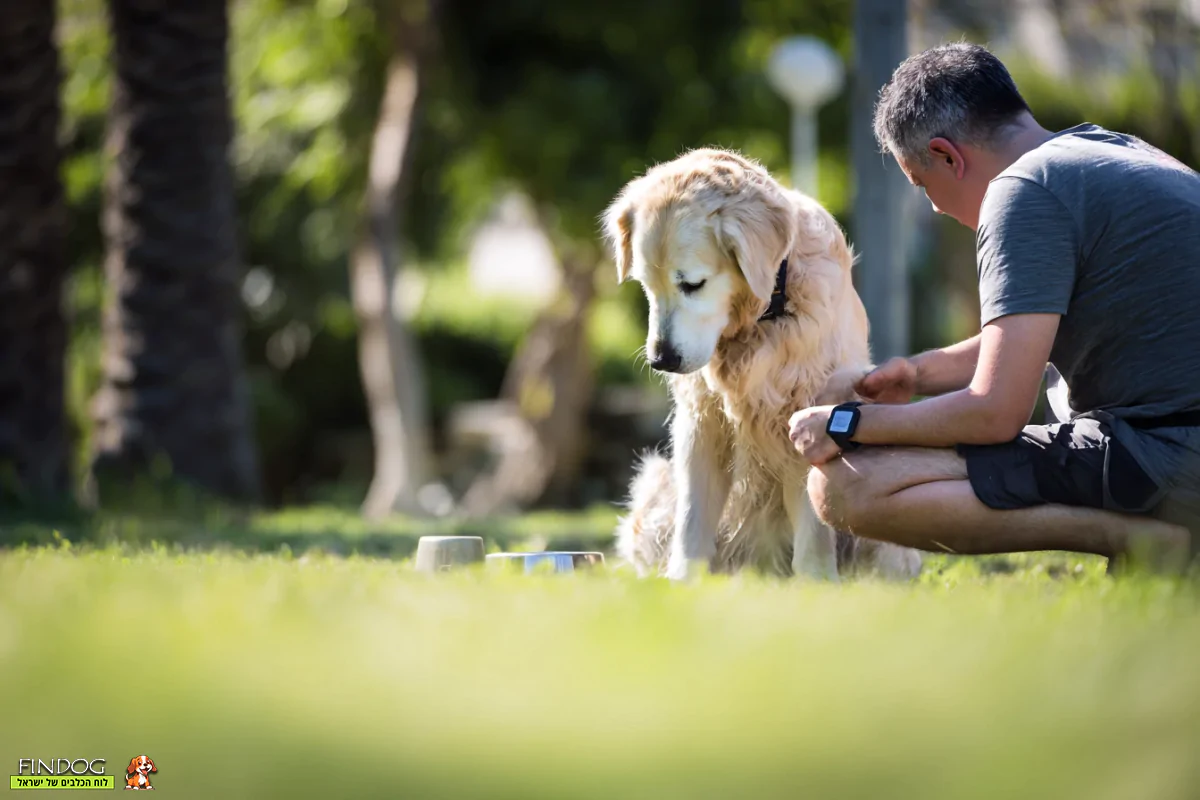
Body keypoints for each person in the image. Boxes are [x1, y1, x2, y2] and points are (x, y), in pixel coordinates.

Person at [787, 42, 1200, 573]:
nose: (935, 206)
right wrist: (920, 372)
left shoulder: (1024, 191)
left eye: (922, 184)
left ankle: (1149, 543)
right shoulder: (1110, 151)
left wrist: (847, 422)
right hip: (1180, 443)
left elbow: (995, 413)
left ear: (947, 156)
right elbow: (1031, 331)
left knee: (846, 488)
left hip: (1172, 457)